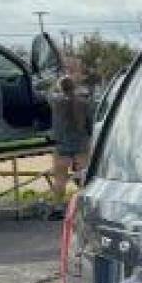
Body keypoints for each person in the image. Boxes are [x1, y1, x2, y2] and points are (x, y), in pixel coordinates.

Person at [46, 57, 91, 219]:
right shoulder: (84, 103)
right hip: (81, 146)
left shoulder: (56, 102)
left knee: (60, 180)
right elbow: (90, 126)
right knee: (84, 179)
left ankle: (57, 207)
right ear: (75, 87)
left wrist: (57, 80)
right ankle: (85, 207)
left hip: (62, 147)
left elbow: (48, 93)